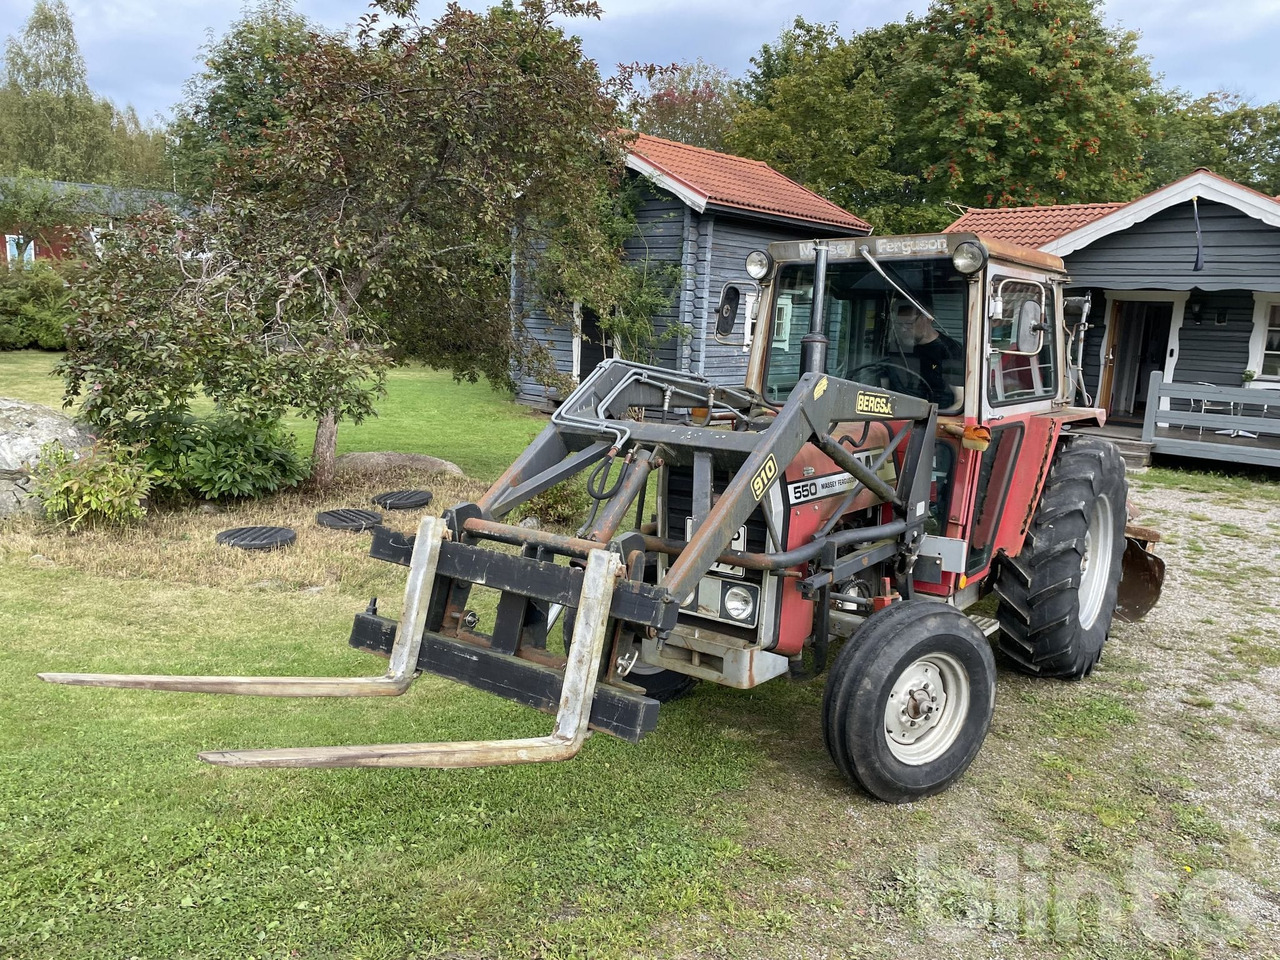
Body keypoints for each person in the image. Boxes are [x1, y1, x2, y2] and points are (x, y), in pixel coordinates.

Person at [890, 303, 964, 413]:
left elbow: (960, 402)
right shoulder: (896, 347)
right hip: (895, 414)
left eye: (908, 324)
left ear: (927, 318)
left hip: (934, 416)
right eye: (899, 324)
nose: (903, 330)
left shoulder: (951, 351)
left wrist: (936, 420)